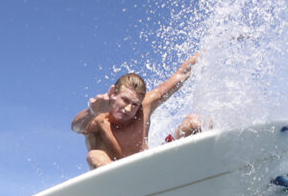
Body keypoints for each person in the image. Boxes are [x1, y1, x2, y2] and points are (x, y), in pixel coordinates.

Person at [71, 54, 202, 169]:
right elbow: (76, 127)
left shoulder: (145, 106)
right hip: (116, 176)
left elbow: (182, 74)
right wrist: (92, 111)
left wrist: (206, 51)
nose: (128, 109)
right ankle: (123, 185)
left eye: (134, 104)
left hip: (152, 167)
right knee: (94, 156)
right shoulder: (99, 119)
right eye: (125, 100)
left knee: (193, 123)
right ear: (113, 95)